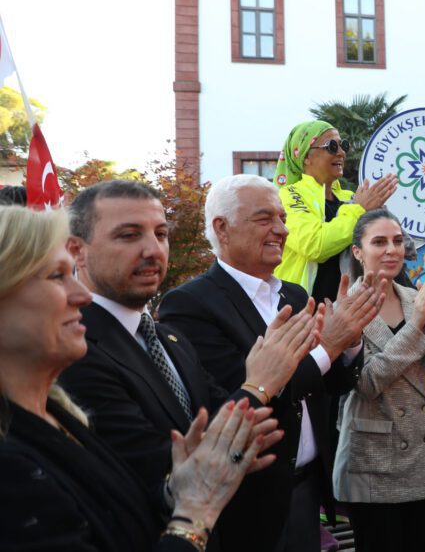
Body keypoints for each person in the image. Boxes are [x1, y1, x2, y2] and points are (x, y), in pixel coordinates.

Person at [0, 206, 279, 552]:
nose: (81, 296)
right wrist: (194, 513)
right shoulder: (11, 465)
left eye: (161, 234)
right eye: (57, 276)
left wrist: (178, 488)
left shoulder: (58, 414)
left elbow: (116, 511)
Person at [57, 180, 321, 543]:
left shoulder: (168, 339)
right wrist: (259, 384)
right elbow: (164, 471)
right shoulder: (74, 350)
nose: (153, 250)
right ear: (77, 250)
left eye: (161, 234)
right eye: (129, 235)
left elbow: (221, 419)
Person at [158, 174, 378, 552]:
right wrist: (329, 345)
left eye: (283, 218)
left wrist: (351, 342)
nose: (282, 230)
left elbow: (327, 385)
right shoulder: (190, 305)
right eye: (265, 218)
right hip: (248, 500)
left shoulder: (293, 294)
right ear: (222, 228)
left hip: (307, 491)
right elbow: (241, 398)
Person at [332, 210, 425, 551]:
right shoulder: (344, 308)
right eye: (379, 242)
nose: (391, 249)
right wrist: (416, 330)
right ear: (358, 252)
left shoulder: (416, 297)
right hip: (374, 463)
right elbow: (367, 382)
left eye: (397, 241)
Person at [273, 119, 398, 302]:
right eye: (331, 146)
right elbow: (314, 244)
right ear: (306, 157)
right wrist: (359, 209)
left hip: (352, 309)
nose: (341, 153)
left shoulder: (350, 197)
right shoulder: (287, 196)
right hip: (302, 310)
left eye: (343, 145)